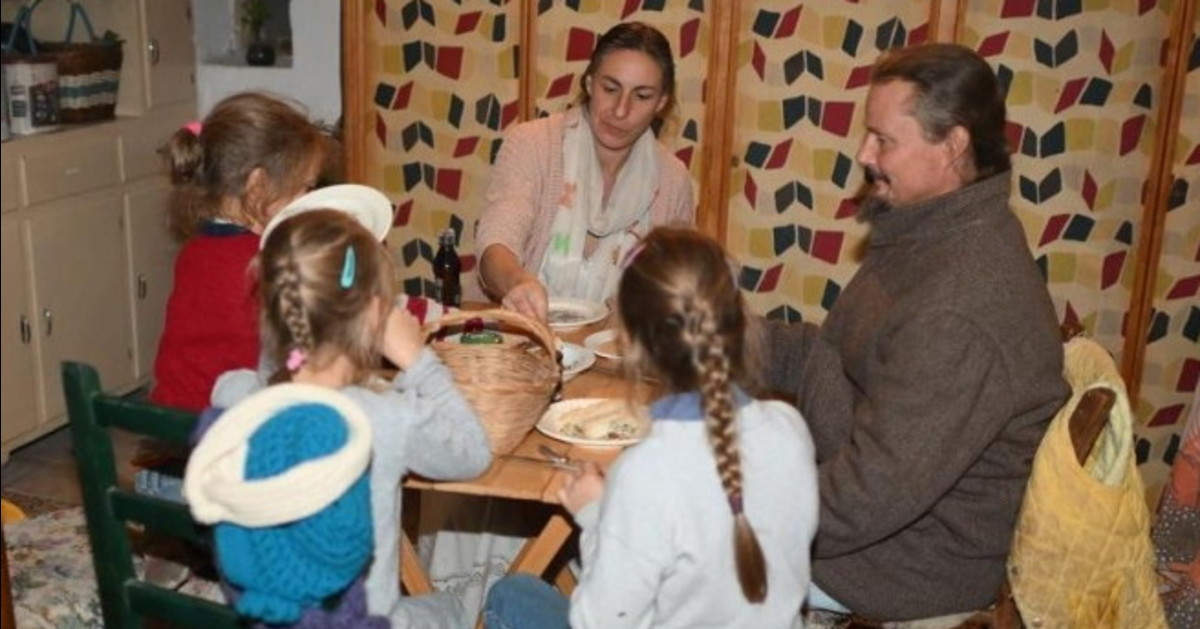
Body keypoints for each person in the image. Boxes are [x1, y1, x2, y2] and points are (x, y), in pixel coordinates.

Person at [760, 43, 1070, 621]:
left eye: (883, 140)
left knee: (661, 551)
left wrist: (737, 508)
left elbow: (864, 499)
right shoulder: (924, 233)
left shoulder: (961, 307)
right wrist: (715, 338)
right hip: (863, 513)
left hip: (897, 565)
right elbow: (829, 356)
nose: (863, 153)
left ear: (952, 146)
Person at [483, 227, 820, 629]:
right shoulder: (790, 428)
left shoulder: (645, 471)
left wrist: (595, 516)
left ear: (629, 340)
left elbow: (598, 621)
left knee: (511, 595)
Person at [210, 209, 493, 628]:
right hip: (363, 622)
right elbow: (473, 452)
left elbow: (263, 375)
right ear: (372, 318)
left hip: (271, 618)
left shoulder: (232, 396)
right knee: (454, 608)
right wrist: (418, 360)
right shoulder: (388, 418)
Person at [475, 21, 694, 322]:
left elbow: (673, 290)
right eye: (610, 88)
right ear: (590, 83)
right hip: (525, 343)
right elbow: (496, 242)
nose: (620, 110)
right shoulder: (534, 144)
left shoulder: (673, 179)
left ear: (661, 102)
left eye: (641, 96)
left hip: (615, 358)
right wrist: (517, 281)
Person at [150, 91, 334, 413]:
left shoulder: (194, 250)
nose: (310, 197)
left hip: (171, 429)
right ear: (258, 186)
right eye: (305, 187)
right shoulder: (266, 261)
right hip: (226, 433)